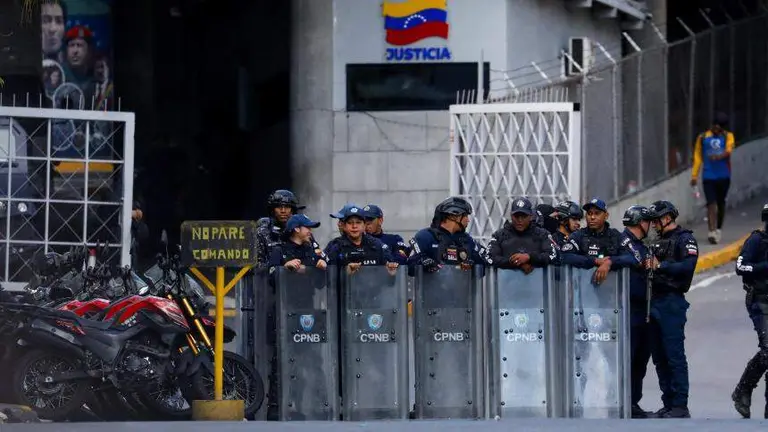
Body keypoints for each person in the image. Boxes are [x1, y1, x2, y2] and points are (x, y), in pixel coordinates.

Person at [645, 200, 698, 419]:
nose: (654, 224)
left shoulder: (685, 239)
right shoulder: (657, 241)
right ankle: (668, 403)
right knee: (659, 356)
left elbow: (688, 266)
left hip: (672, 301)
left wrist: (661, 266)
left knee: (674, 355)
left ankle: (680, 405)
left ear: (667, 218)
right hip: (654, 301)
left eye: (657, 220)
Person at [616, 205, 655, 418]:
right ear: (641, 222)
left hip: (643, 309)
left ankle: (633, 402)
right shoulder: (623, 243)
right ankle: (623, 402)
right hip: (627, 308)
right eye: (648, 221)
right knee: (628, 359)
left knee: (640, 359)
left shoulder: (641, 245)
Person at [731, 203, 768, 419]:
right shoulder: (756, 241)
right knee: (767, 350)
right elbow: (740, 266)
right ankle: (743, 390)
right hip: (760, 300)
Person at [407, 197, 492, 275]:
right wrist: (423, 263)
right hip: (431, 290)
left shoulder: (467, 240)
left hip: (462, 291)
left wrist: (473, 265)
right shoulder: (425, 236)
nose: (468, 220)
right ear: (453, 216)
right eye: (465, 215)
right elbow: (409, 266)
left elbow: (486, 262)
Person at [690, 112, 735, 244]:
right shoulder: (703, 137)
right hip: (708, 175)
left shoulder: (728, 136)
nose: (716, 127)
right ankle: (711, 231)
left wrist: (719, 156)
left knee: (721, 203)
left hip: (724, 175)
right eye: (714, 125)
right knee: (711, 203)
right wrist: (694, 175)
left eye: (719, 126)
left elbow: (728, 151)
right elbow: (698, 157)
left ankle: (718, 228)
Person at [560, 198, 626, 284]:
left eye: (597, 213)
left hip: (612, 293)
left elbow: (630, 257)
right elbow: (564, 256)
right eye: (589, 213)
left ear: (606, 216)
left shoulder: (615, 235)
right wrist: (594, 261)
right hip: (583, 290)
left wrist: (610, 262)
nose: (592, 217)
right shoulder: (578, 235)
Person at [488, 197, 558, 272]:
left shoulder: (543, 234)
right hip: (506, 282)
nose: (520, 220)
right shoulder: (499, 235)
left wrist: (529, 257)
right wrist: (515, 263)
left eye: (524, 216)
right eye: (516, 216)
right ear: (511, 216)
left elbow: (552, 255)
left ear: (530, 216)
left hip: (537, 282)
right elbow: (489, 257)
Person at [256, 189, 320, 270]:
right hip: (271, 279)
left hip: (301, 279)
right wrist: (283, 268)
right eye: (279, 207)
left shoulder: (302, 231)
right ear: (272, 209)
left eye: (287, 207)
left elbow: (316, 257)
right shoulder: (263, 232)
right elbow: (257, 267)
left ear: (292, 210)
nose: (283, 211)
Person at [324, 205, 398, 275]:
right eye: (350, 223)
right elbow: (328, 278)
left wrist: (390, 274)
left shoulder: (377, 244)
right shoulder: (336, 246)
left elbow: (389, 278)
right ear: (344, 226)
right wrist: (346, 273)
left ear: (364, 225)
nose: (354, 226)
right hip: (346, 288)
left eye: (358, 222)